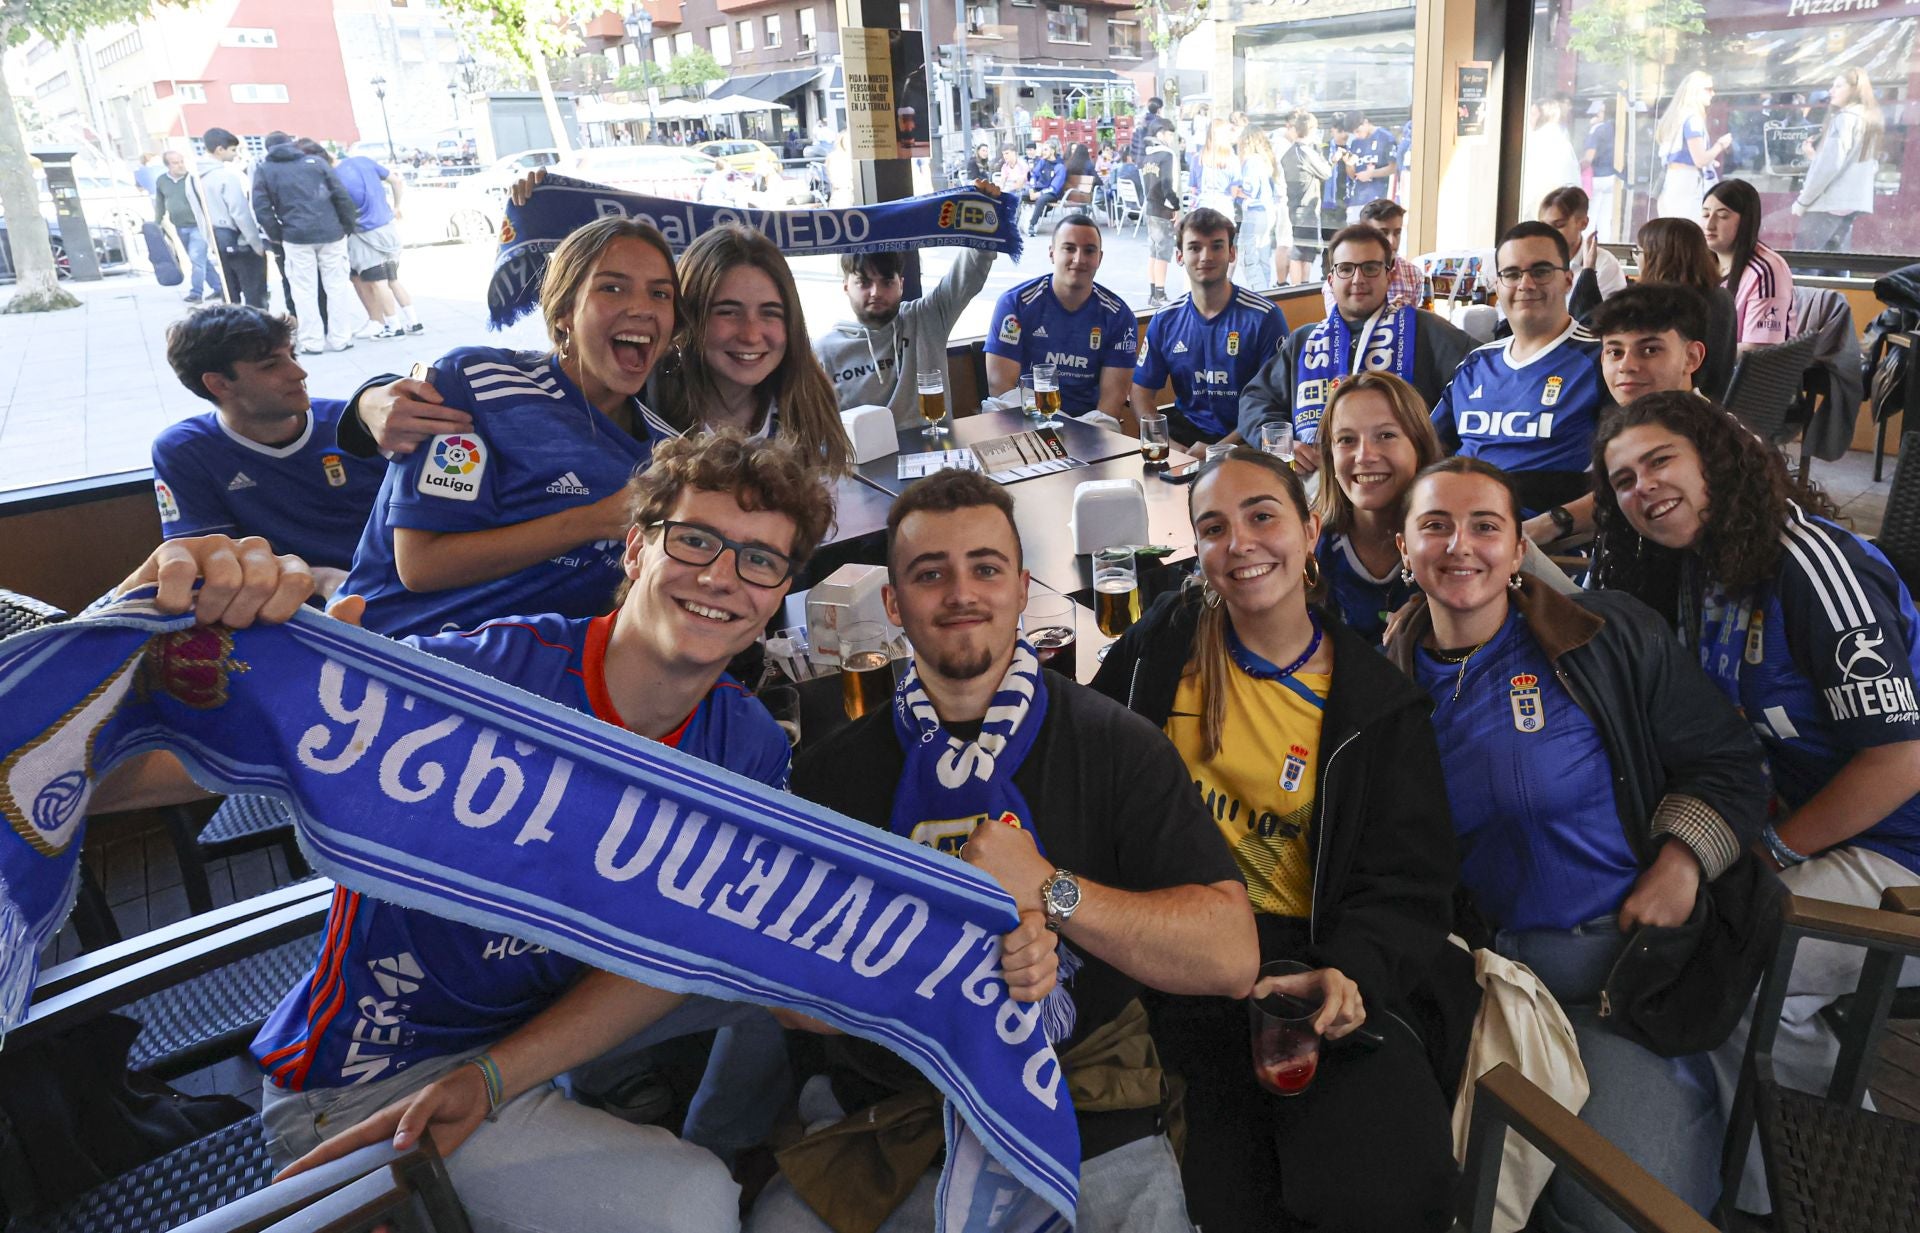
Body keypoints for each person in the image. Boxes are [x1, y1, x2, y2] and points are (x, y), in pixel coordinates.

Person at [91, 433, 843, 1233]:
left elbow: (697, 945)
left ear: (778, 595)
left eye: (760, 561)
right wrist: (126, 644)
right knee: (691, 1203)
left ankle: (680, 1127)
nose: (722, 576)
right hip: (374, 1080)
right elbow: (113, 781)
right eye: (695, 540)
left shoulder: (746, 741)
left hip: (514, 1042)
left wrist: (497, 1074)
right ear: (633, 549)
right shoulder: (479, 682)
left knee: (781, 955)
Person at [746, 468, 1260, 1232]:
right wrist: (923, 966)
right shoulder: (830, 771)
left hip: (1083, 1099)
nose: (961, 593)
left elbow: (1232, 955)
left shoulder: (1117, 746)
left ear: (1022, 588)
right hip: (897, 1115)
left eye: (985, 568)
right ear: (894, 604)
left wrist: (1055, 892)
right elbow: (782, 994)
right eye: (930, 574)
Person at [1384, 455, 1768, 1233]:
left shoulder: (1606, 638)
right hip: (1490, 984)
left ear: (1518, 548)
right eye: (1436, 525)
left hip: (1618, 977)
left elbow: (1730, 761)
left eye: (1486, 526)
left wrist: (1683, 858)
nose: (1462, 545)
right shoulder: (1380, 685)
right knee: (1467, 1190)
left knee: (1622, 1209)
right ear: (1403, 548)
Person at [1089, 447, 1460, 1233]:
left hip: (1306, 970)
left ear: (1309, 528)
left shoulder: (1375, 705)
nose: (1241, 543)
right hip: (1171, 965)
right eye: (1214, 527)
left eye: (1263, 515)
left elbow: (1409, 882)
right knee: (1214, 1191)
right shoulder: (1161, 654)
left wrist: (1351, 970)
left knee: (1382, 1186)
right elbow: (1083, 761)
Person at [1590, 392, 1920, 1216]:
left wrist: (1767, 848)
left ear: (1715, 458)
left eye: (1660, 460)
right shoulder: (1707, 566)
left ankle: (1836, 1194)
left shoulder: (1808, 563)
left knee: (1734, 965)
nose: (1643, 488)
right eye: (1624, 478)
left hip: (1903, 847)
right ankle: (1774, 1185)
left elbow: (1898, 758)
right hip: (1828, 830)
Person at [340, 216, 678, 636]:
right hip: (397, 649)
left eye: (660, 293)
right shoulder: (478, 383)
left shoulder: (668, 457)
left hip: (534, 679)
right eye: (612, 287)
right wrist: (596, 520)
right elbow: (421, 565)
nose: (642, 307)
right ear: (563, 313)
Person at [152, 304, 383, 594]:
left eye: (293, 355)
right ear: (219, 384)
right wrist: (320, 579)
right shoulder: (185, 450)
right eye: (271, 365)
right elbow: (212, 563)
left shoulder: (354, 423)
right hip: (290, 609)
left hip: (396, 590)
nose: (300, 372)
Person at [1240, 224, 1475, 474]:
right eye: (1346, 268)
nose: (1358, 279)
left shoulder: (1425, 328)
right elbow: (1255, 399)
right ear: (1331, 280)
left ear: (1390, 276)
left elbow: (1482, 382)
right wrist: (1280, 444)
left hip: (1401, 484)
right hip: (1313, 485)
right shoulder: (1304, 340)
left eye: (1371, 268)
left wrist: (1436, 445)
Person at [1430, 220, 1611, 517]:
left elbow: (1623, 482)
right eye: (1512, 274)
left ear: (1568, 280)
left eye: (1540, 272)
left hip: (1546, 539)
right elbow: (1428, 447)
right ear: (1498, 285)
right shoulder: (1476, 363)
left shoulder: (1600, 358)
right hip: (1456, 521)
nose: (1525, 284)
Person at [646, 224, 851, 474]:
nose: (751, 335)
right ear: (688, 316)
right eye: (728, 312)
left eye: (770, 313)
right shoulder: (644, 411)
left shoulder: (808, 403)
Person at [1131, 209, 1286, 447]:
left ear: (1232, 253)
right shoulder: (1164, 319)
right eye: (1194, 247)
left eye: (1216, 246)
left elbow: (1275, 403)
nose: (1206, 256)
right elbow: (1141, 393)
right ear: (1179, 256)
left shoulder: (1264, 317)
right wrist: (1167, 445)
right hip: (1185, 439)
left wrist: (1218, 451)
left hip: (1247, 440)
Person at [983, 215, 1139, 429]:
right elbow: (1000, 387)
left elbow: (1110, 405)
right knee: (996, 407)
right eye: (1069, 248)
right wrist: (1049, 427)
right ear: (1052, 253)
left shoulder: (1119, 316)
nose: (1079, 259)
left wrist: (1069, 431)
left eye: (1089, 250)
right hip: (1026, 416)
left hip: (1088, 424)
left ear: (1099, 258)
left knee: (1108, 424)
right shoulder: (1015, 303)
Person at [815, 243, 994, 430]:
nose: (876, 292)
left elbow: (976, 261)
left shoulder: (926, 317)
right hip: (865, 457)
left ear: (901, 285)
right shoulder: (824, 352)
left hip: (936, 450)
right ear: (846, 287)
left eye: (886, 282)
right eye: (864, 282)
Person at [252, 131, 361, 355]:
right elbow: (341, 196)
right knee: (337, 287)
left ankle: (312, 341)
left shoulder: (265, 169)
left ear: (268, 148)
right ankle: (341, 338)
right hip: (331, 232)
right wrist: (347, 226)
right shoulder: (317, 163)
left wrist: (277, 235)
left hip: (295, 236)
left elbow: (261, 207)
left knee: (303, 290)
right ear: (291, 144)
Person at [1631, 219, 1737, 399]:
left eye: (1638, 252)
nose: (1635, 258)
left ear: (1657, 257)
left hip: (1670, 406)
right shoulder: (1722, 296)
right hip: (1712, 401)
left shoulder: (1664, 307)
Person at [332, 148, 422, 339]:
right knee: (393, 279)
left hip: (367, 235)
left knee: (379, 282)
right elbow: (396, 181)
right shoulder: (365, 161)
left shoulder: (336, 177)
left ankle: (393, 326)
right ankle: (414, 322)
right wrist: (397, 207)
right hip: (388, 229)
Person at [1793, 68, 1882, 255]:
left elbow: (1830, 166)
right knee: (1836, 267)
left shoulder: (1845, 119)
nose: (1831, 91)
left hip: (1827, 204)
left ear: (1854, 89)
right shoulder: (1870, 119)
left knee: (1806, 265)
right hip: (1851, 205)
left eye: (1838, 85)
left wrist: (1802, 202)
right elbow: (1862, 165)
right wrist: (1815, 158)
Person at [1702, 178, 1794, 350]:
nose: (1709, 224)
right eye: (1705, 214)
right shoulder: (1699, 261)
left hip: (1746, 373)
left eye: (1722, 216)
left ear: (1746, 221)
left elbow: (1758, 348)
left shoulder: (1766, 270)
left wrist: (1695, 359)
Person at [200, 128, 268, 310]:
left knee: (230, 294)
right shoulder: (226, 177)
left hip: (218, 241)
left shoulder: (193, 178)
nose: (235, 154)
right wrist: (256, 244)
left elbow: (198, 214)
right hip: (240, 241)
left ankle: (233, 331)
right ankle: (258, 331)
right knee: (255, 293)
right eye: (232, 150)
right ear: (219, 149)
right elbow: (240, 213)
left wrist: (211, 242)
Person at [1320, 198, 1421, 316]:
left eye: (1397, 233)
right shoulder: (1338, 280)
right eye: (1383, 233)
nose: (1391, 241)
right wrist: (1387, 314)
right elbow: (1338, 327)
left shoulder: (1413, 273)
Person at [1655, 72, 1733, 220]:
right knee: (1689, 226)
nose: (1712, 93)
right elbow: (1700, 159)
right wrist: (1720, 145)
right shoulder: (1693, 120)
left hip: (1673, 178)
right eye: (1708, 89)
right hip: (1687, 180)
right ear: (1695, 91)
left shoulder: (1677, 117)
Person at [1539, 185, 1626, 317]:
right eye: (1543, 226)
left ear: (1583, 223)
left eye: (1559, 225)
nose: (1549, 233)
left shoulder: (1604, 264)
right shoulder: (1534, 261)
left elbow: (1596, 320)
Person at [154, 149, 216, 304]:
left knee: (196, 260)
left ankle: (196, 293)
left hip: (198, 225)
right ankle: (219, 287)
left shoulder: (192, 179)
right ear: (168, 165)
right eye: (176, 163)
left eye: (181, 161)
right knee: (202, 261)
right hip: (179, 226)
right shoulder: (162, 181)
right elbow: (160, 202)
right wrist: (157, 222)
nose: (180, 165)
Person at [1281, 111, 1333, 286]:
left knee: (1305, 250)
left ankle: (1302, 285)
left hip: (1295, 205)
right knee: (1301, 251)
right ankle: (1299, 287)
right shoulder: (1306, 153)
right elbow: (1326, 172)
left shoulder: (1290, 152)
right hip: (1306, 208)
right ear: (1311, 129)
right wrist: (1332, 160)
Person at [1234, 127, 1287, 291]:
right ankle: (1266, 292)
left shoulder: (1251, 162)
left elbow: (1250, 189)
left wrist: (1236, 192)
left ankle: (1258, 292)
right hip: (1268, 211)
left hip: (1254, 212)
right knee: (1263, 256)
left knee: (1248, 257)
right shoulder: (1265, 160)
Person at [1140, 134, 1183, 310]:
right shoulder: (1167, 156)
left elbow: (1145, 185)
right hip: (1163, 209)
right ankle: (1160, 293)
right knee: (1163, 254)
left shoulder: (1148, 156)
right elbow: (1167, 185)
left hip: (1150, 207)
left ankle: (1153, 293)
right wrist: (1176, 206)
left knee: (1153, 253)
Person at [1520, 101, 1582, 223]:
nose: (1530, 118)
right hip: (1560, 210)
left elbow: (1528, 181)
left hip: (1539, 206)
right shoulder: (1563, 142)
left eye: (1533, 114)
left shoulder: (1536, 141)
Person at [1342, 111, 1397, 224]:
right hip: (1357, 199)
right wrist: (1348, 164)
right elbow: (1352, 175)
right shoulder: (1355, 143)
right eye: (1354, 133)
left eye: (1358, 131)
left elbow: (1394, 167)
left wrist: (1371, 173)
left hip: (1379, 199)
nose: (1357, 135)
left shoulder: (1386, 137)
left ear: (1365, 123)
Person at [1581, 100, 1621, 242]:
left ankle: (1586, 251)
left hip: (1596, 177)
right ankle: (1604, 246)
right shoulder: (1618, 128)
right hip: (1612, 177)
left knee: (1590, 217)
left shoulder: (1597, 129)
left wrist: (1577, 169)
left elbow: (1589, 158)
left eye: (1601, 111)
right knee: (1605, 219)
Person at [1192, 120, 1241, 217]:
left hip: (1203, 204)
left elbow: (1193, 188)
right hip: (1224, 206)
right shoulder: (1233, 160)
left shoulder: (1198, 158)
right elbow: (1234, 190)